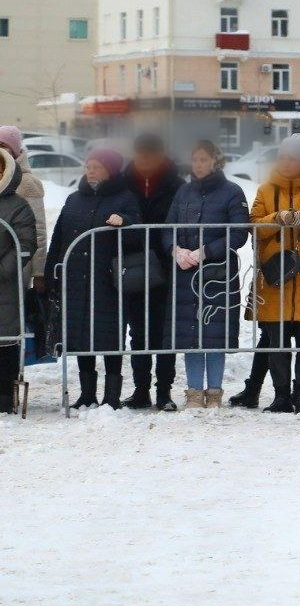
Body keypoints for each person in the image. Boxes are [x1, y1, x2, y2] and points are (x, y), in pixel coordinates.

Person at [234, 134, 300, 413]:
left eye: (293, 158)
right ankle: (281, 396)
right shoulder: (266, 190)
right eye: (282, 157)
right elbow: (254, 225)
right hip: (275, 281)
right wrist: (276, 219)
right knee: (277, 344)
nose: (286, 162)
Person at [45, 148, 141, 409]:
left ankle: (111, 396)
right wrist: (51, 272)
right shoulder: (74, 199)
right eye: (88, 167)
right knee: (81, 336)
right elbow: (58, 239)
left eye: (96, 167)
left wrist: (125, 221)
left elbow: (138, 235)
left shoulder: (125, 198)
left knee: (110, 336)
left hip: (107, 281)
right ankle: (87, 394)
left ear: (110, 170)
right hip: (75, 279)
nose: (90, 171)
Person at [162, 141, 249, 409]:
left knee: (214, 333)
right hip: (185, 274)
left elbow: (239, 232)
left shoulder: (232, 192)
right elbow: (167, 227)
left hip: (217, 275)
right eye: (195, 159)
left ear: (214, 161)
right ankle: (193, 392)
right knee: (190, 334)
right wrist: (175, 250)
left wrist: (205, 252)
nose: (198, 164)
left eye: (203, 159)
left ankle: (214, 392)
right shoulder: (183, 192)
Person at [121, 133, 185, 412]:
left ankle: (164, 391)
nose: (145, 159)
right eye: (141, 153)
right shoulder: (123, 183)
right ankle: (141, 389)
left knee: (165, 332)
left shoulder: (176, 185)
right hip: (133, 265)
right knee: (138, 332)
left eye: (150, 154)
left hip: (167, 266)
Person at [0, 145, 37, 414]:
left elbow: (24, 244)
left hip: (5, 285)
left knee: (5, 340)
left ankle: (5, 396)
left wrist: (3, 269)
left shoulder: (18, 206)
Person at [0, 128, 47, 296]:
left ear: (15, 150)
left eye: (3, 145)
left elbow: (38, 230)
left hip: (17, 262)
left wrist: (39, 272)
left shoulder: (27, 182)